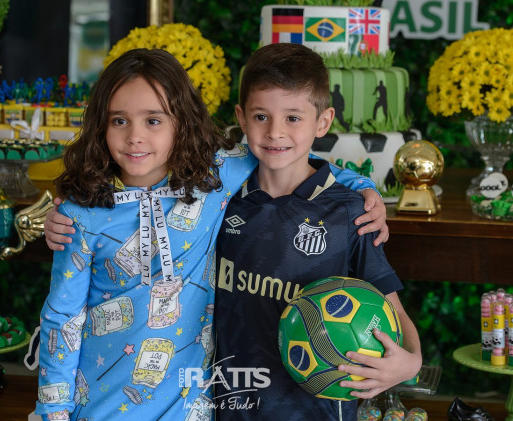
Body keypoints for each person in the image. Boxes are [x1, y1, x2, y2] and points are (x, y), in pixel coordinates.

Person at [36, 48, 387, 421]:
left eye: (153, 120)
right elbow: (62, 319)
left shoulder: (211, 178)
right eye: (119, 121)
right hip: (102, 408)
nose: (135, 137)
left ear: (181, 122)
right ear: (100, 126)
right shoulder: (80, 214)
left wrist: (363, 186)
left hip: (191, 408)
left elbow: (288, 155)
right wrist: (53, 411)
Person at [213, 43, 421, 420]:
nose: (275, 132)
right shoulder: (221, 199)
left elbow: (389, 304)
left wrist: (412, 361)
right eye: (261, 116)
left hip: (316, 411)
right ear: (241, 119)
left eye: (293, 117)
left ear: (322, 122)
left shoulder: (350, 211)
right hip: (229, 404)